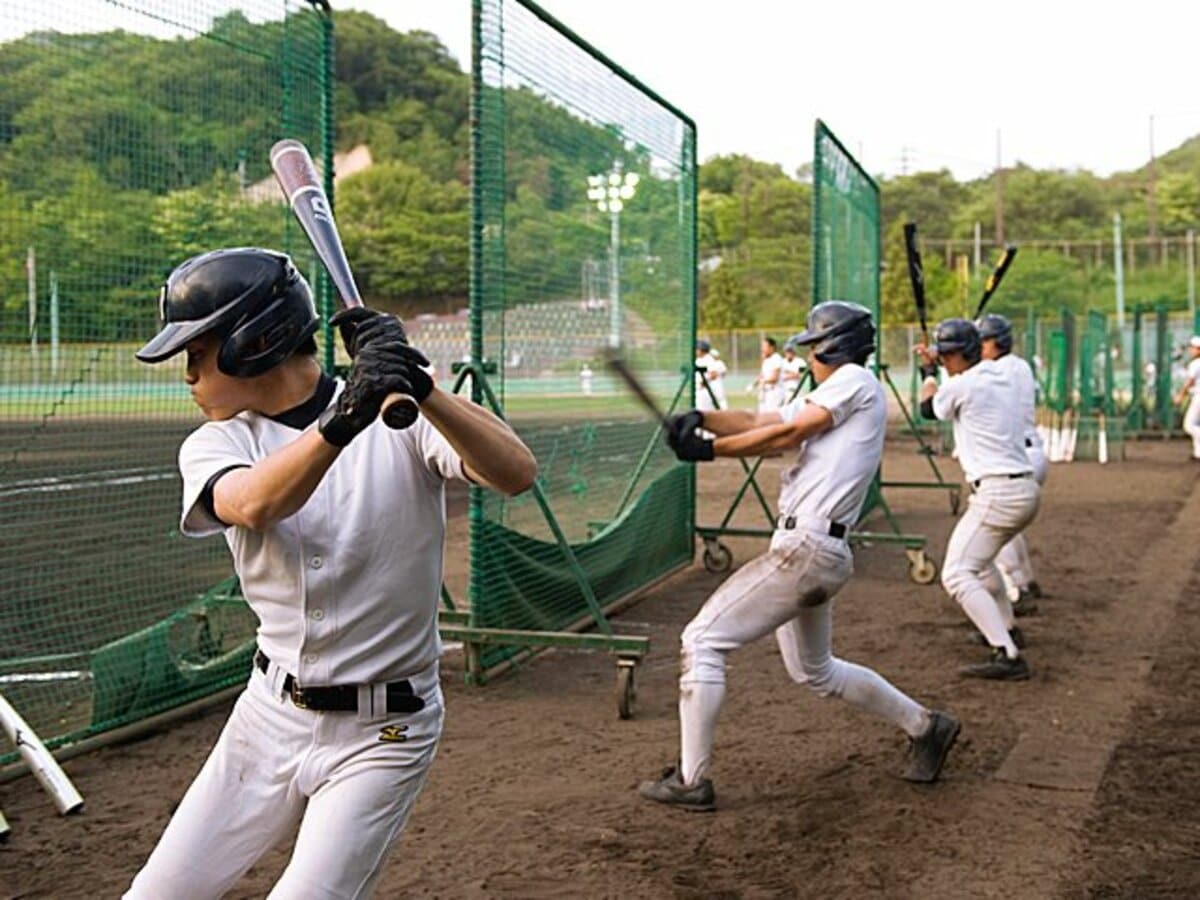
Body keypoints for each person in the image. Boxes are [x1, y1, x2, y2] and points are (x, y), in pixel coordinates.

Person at [125, 248, 537, 898]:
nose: (189, 376)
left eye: (197, 353)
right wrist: (344, 419)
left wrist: (423, 386)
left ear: (251, 344)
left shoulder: (404, 416)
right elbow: (255, 504)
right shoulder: (220, 442)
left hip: (386, 731)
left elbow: (517, 472)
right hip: (267, 719)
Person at [638, 301, 961, 811]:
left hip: (806, 549)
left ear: (834, 346)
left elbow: (787, 434)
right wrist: (701, 419)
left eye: (814, 347)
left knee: (701, 639)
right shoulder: (841, 389)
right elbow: (760, 419)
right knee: (817, 671)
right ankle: (926, 726)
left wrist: (709, 450)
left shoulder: (853, 380)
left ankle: (691, 780)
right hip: (816, 550)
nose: (810, 356)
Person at [916, 318, 1039, 681]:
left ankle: (1007, 654)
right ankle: (1007, 630)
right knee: (982, 566)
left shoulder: (963, 385)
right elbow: (960, 380)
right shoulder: (997, 376)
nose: (944, 360)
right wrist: (941, 361)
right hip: (1023, 490)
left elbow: (928, 410)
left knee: (956, 574)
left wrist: (927, 373)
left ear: (958, 354)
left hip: (998, 494)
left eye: (947, 354)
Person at [978, 314, 1046, 610]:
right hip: (1033, 453)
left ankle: (1017, 591)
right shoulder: (1020, 365)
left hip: (1014, 458)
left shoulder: (995, 371)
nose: (978, 346)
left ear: (995, 342)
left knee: (997, 529)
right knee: (1011, 528)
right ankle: (1027, 581)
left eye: (982, 340)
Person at [1174, 336, 1200, 461]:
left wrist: (1180, 395)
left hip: (1198, 396)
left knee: (1189, 425)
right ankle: (1198, 453)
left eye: (1193, 347)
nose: (1190, 350)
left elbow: (1189, 382)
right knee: (1195, 424)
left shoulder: (1195, 363)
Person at [753, 336, 785, 412]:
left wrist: (763, 381)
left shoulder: (776, 358)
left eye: (764, 346)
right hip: (765, 393)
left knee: (772, 417)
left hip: (774, 393)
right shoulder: (766, 360)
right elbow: (762, 375)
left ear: (771, 347)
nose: (762, 349)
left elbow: (774, 378)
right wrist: (753, 384)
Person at [694, 339, 727, 412]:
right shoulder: (698, 359)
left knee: (703, 412)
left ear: (702, 350)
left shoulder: (708, 359)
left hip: (705, 391)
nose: (695, 350)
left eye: (697, 349)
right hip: (700, 390)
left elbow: (714, 374)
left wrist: (704, 382)